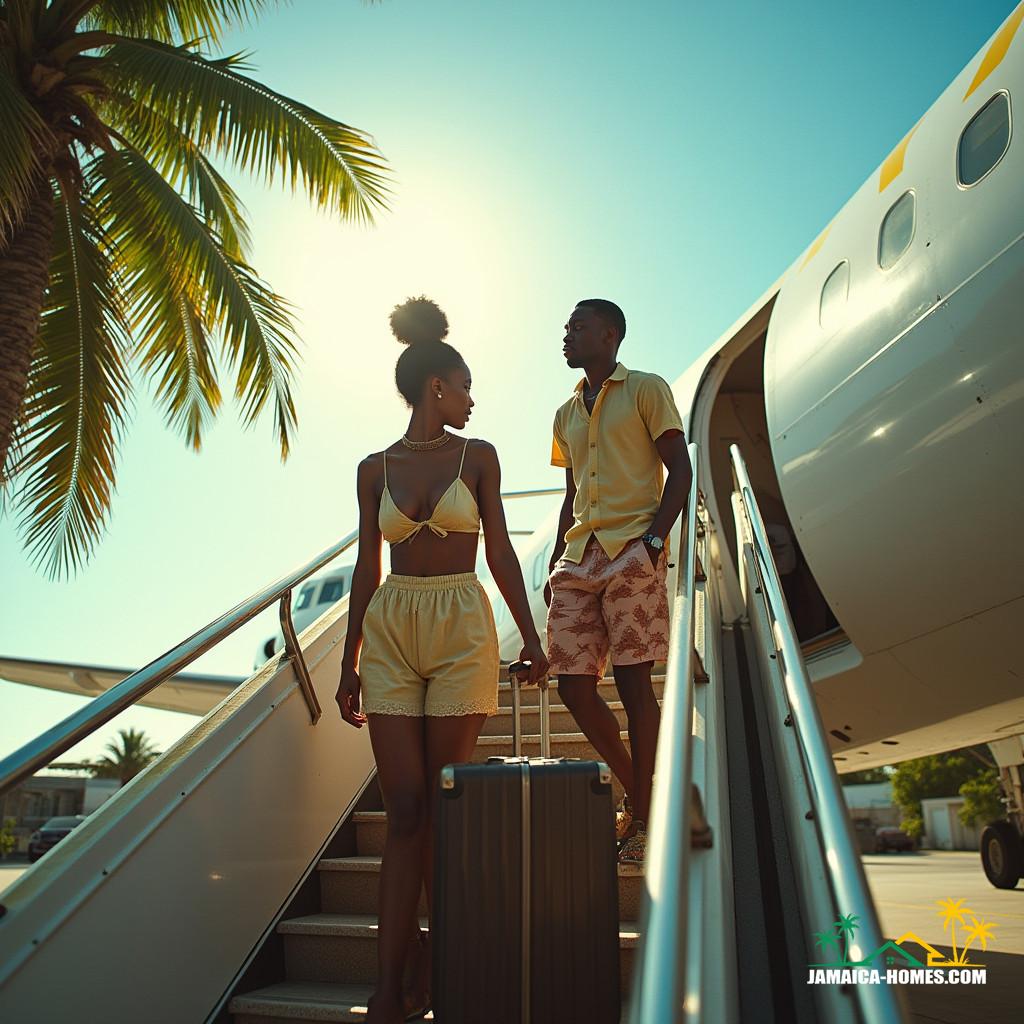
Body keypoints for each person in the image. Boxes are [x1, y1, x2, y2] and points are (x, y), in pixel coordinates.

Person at [336, 297, 548, 1024]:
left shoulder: (479, 456)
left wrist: (533, 635)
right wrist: (347, 661)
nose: (471, 397)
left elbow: (500, 553)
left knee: (441, 809)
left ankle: (444, 961)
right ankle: (390, 986)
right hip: (393, 629)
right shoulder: (372, 469)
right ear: (437, 388)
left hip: (461, 628)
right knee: (404, 815)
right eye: (464, 384)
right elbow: (367, 570)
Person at [545, 299, 691, 865]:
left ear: (609, 335)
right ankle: (645, 796)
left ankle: (646, 812)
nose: (566, 334)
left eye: (577, 327)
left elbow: (680, 470)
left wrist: (652, 544)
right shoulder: (562, 413)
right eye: (565, 327)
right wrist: (560, 558)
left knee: (634, 687)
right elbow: (570, 494)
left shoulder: (646, 389)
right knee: (573, 687)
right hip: (580, 557)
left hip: (632, 550)